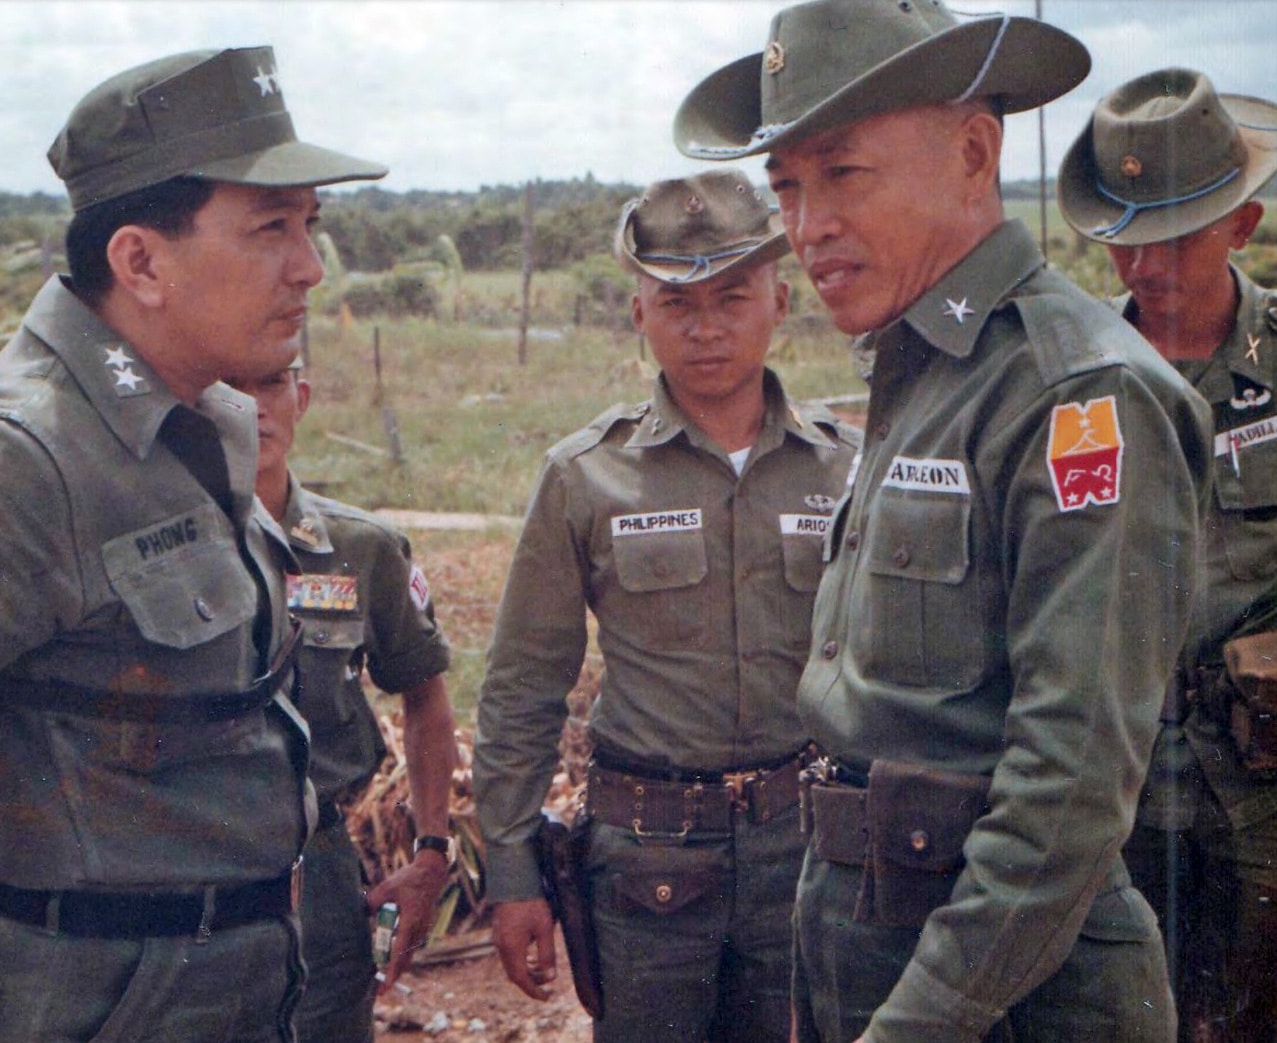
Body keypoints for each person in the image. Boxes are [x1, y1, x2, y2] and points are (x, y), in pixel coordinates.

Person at [674, 2, 1215, 1040]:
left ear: (971, 151)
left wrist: (918, 1020)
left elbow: (1068, 784)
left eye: (841, 172)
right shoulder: (919, 370)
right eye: (785, 185)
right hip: (876, 941)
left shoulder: (1076, 395)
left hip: (1004, 994)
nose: (805, 224)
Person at [0, 47, 385, 1043]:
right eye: (271, 228)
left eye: (308, 225)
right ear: (139, 261)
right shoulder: (13, 461)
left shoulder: (207, 420)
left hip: (238, 973)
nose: (309, 266)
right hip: (98, 995)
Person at [472, 168, 861, 1043]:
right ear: (639, 314)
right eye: (676, 302)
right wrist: (510, 872)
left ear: (781, 301)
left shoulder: (848, 467)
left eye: (733, 296)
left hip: (803, 849)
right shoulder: (585, 475)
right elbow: (523, 683)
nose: (707, 326)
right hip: (647, 862)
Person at [1058, 68, 1277, 1043]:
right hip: (1119, 795)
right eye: (1125, 237)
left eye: (1174, 235)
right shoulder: (1072, 383)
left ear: (1244, 223)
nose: (1144, 266)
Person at [227, 357, 457, 1042]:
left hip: (317, 863)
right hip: (184, 863)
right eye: (228, 388)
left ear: (300, 397)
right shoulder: (154, 549)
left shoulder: (360, 549)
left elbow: (427, 693)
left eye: (269, 386)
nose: (252, 408)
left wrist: (432, 847)